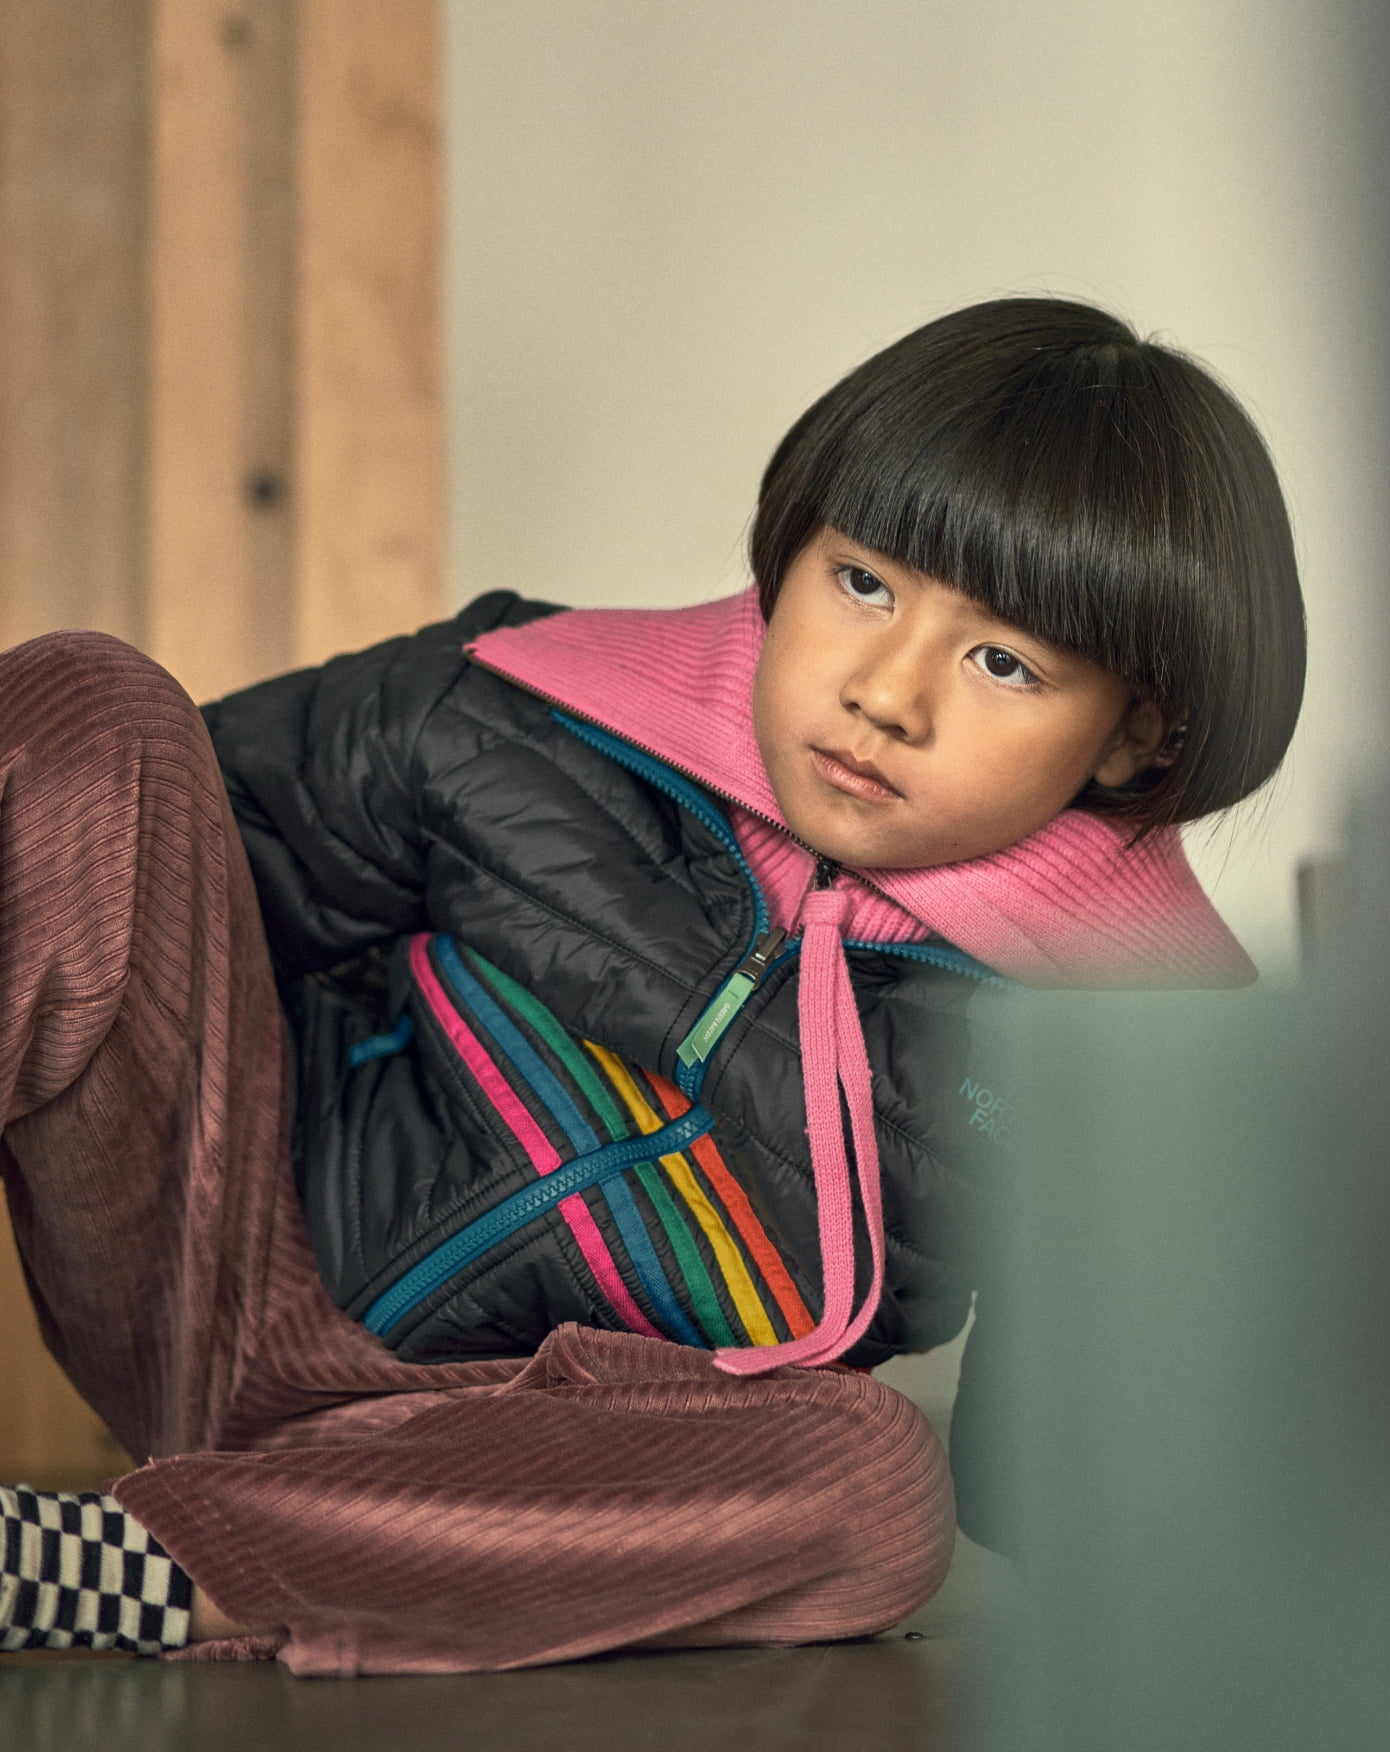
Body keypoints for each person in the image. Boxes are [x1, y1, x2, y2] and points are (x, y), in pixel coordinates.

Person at [0, 298, 1304, 1674]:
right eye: (864, 583)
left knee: (876, 1488)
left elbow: (1059, 1497)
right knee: (89, 714)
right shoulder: (517, 711)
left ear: (1133, 737)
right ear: (792, 549)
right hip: (214, 1258)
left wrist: (1190, 1195)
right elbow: (129, 886)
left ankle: (129, 1574)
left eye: (1003, 661)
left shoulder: (1116, 1038)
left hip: (530, 1464)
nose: (885, 693)